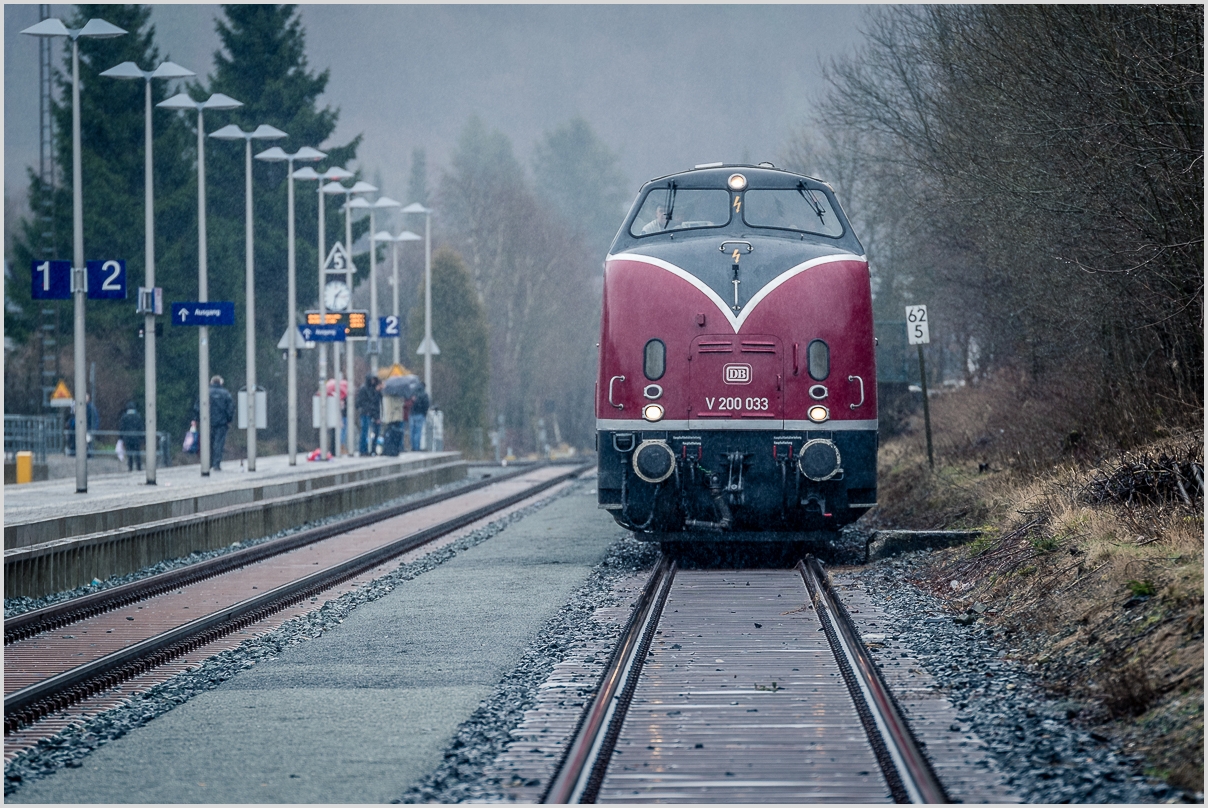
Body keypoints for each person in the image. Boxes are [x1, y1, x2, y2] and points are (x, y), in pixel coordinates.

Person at [207, 375, 235, 470]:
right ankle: (216, 464)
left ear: (211, 382)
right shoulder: (226, 394)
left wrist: (196, 419)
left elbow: (199, 406)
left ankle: (208, 462)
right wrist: (229, 419)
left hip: (207, 422)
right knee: (219, 443)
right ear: (221, 383)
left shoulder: (206, 392)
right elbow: (230, 408)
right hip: (221, 422)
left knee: (208, 443)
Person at [357, 374, 383, 455]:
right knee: (365, 432)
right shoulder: (364, 389)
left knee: (369, 432)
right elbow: (360, 402)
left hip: (372, 413)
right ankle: (363, 449)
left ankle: (370, 449)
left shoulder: (373, 390)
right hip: (366, 413)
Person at [118, 400, 144, 471]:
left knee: (129, 453)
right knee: (137, 453)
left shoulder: (124, 417)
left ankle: (130, 467)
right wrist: (142, 438)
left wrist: (121, 438)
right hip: (136, 438)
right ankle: (138, 467)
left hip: (127, 437)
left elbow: (122, 428)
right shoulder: (138, 416)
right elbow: (141, 427)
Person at [409, 384, 430, 453]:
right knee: (418, 432)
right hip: (420, 415)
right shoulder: (424, 394)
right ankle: (417, 447)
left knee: (412, 431)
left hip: (412, 414)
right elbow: (427, 404)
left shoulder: (412, 393)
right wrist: (424, 413)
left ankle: (412, 447)